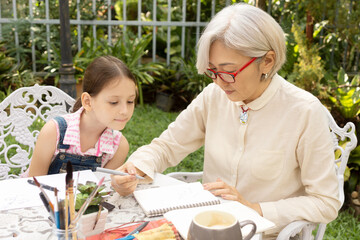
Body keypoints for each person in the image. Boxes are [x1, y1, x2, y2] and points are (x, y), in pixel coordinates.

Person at [111, 3, 341, 238]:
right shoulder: (214, 96)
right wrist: (135, 168)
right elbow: (168, 146)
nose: (220, 82)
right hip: (208, 228)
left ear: (268, 61)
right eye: (212, 71)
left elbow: (326, 201)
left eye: (229, 71)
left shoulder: (304, 112)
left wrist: (255, 209)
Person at [25, 56, 137, 177]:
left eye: (130, 101)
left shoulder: (119, 146)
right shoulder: (54, 132)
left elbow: (102, 189)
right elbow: (34, 183)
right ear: (88, 101)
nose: (125, 111)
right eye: (114, 102)